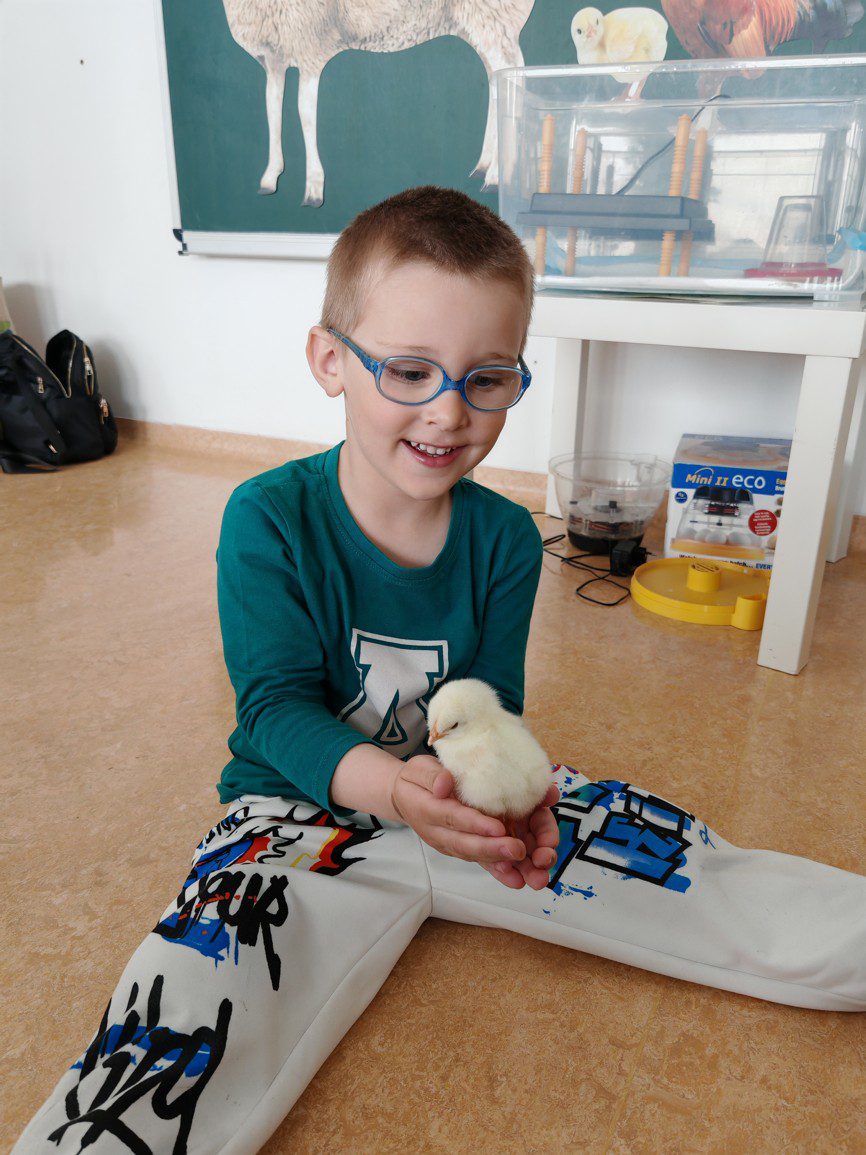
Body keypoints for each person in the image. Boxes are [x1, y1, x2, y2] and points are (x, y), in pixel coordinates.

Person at [15, 187, 866, 1155]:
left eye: (486, 378)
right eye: (410, 370)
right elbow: (273, 711)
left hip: (465, 809)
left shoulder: (506, 539)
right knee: (182, 1013)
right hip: (290, 816)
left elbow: (494, 710)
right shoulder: (266, 518)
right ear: (329, 360)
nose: (449, 411)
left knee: (680, 864)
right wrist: (391, 790)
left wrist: (513, 803)